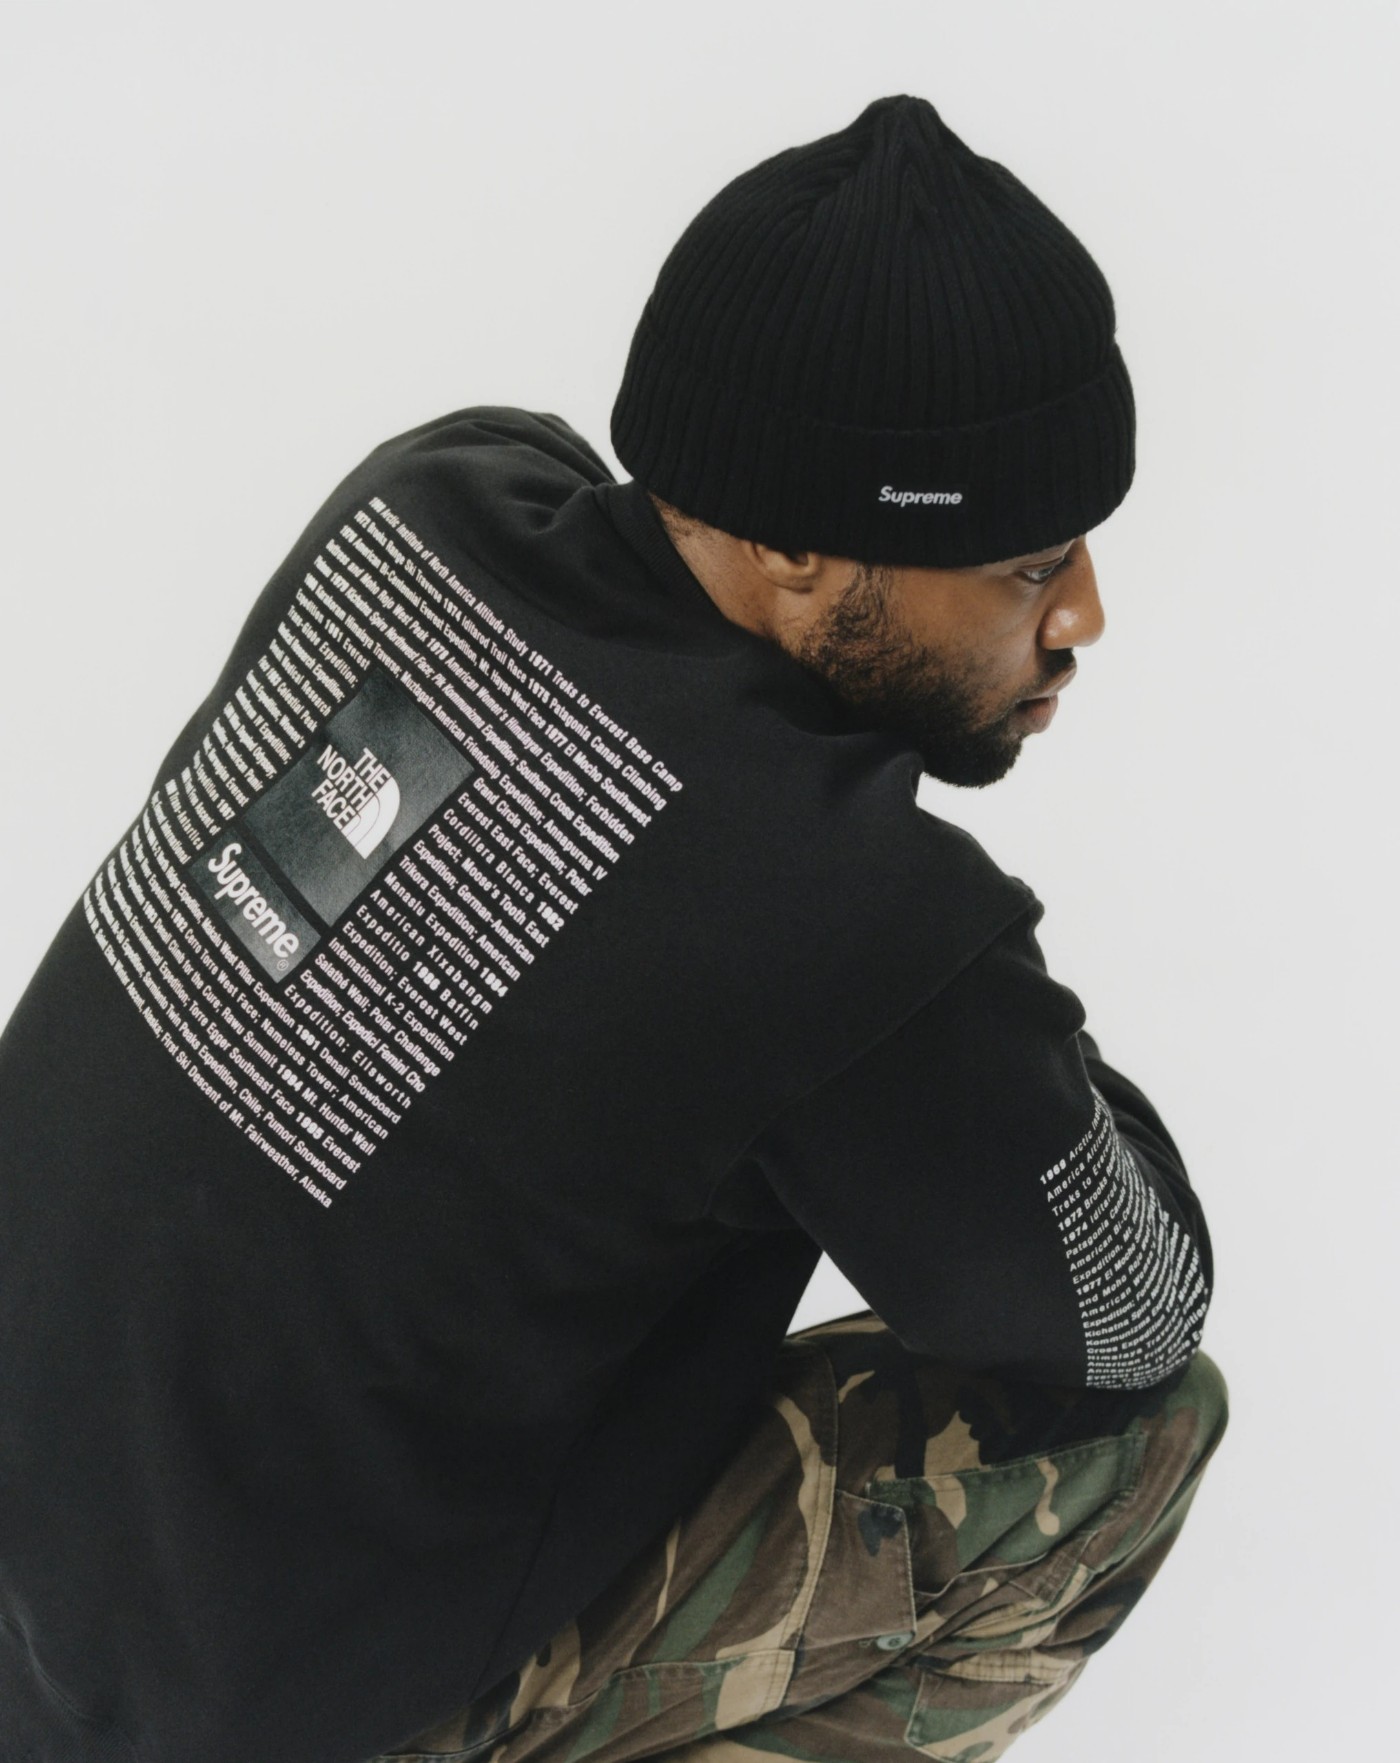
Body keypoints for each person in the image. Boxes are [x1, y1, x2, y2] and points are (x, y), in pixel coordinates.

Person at [0, 94, 1226, 1763]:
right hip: (233, 1727)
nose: (1084, 615)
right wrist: (967, 1019)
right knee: (1125, 1453)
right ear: (793, 543)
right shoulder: (833, 908)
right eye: (1024, 565)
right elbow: (1140, 1309)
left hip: (52, 1602)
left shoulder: (428, 498)